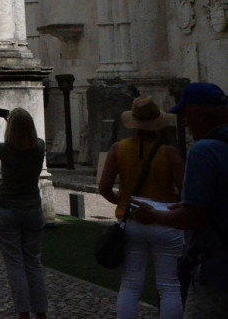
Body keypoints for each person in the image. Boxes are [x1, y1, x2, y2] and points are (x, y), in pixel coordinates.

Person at [134, 82, 228, 318]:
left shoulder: (203, 150)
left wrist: (153, 214)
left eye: (186, 116)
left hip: (216, 270)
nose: (184, 124)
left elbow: (193, 216)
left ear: (199, 114)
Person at [97, 96, 184, 319]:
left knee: (130, 285)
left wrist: (123, 202)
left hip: (132, 220)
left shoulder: (118, 149)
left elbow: (105, 187)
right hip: (164, 221)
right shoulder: (170, 153)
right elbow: (185, 191)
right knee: (169, 286)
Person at [0, 106, 48, 319]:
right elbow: (25, 135)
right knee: (33, 261)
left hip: (6, 208)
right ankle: (40, 312)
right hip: (32, 207)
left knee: (15, 263)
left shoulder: (4, 149)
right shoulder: (39, 146)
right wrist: (13, 118)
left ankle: (23, 312)